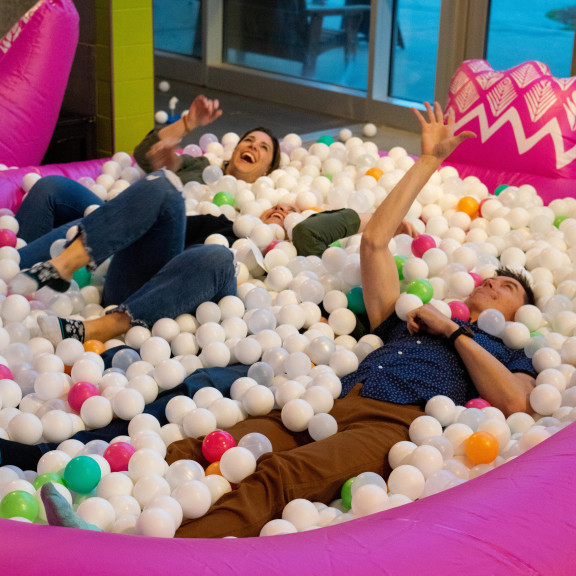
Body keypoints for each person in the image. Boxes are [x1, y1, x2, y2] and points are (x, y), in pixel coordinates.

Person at [37, 102, 537, 538]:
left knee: (278, 477)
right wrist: (428, 160)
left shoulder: (511, 352)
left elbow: (515, 400)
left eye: (508, 287)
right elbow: (374, 242)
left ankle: (144, 551)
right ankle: (94, 510)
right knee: (205, 446)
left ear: (523, 313)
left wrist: (453, 332)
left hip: (396, 422)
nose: (492, 284)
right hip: (332, 396)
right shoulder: (406, 320)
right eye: (492, 279)